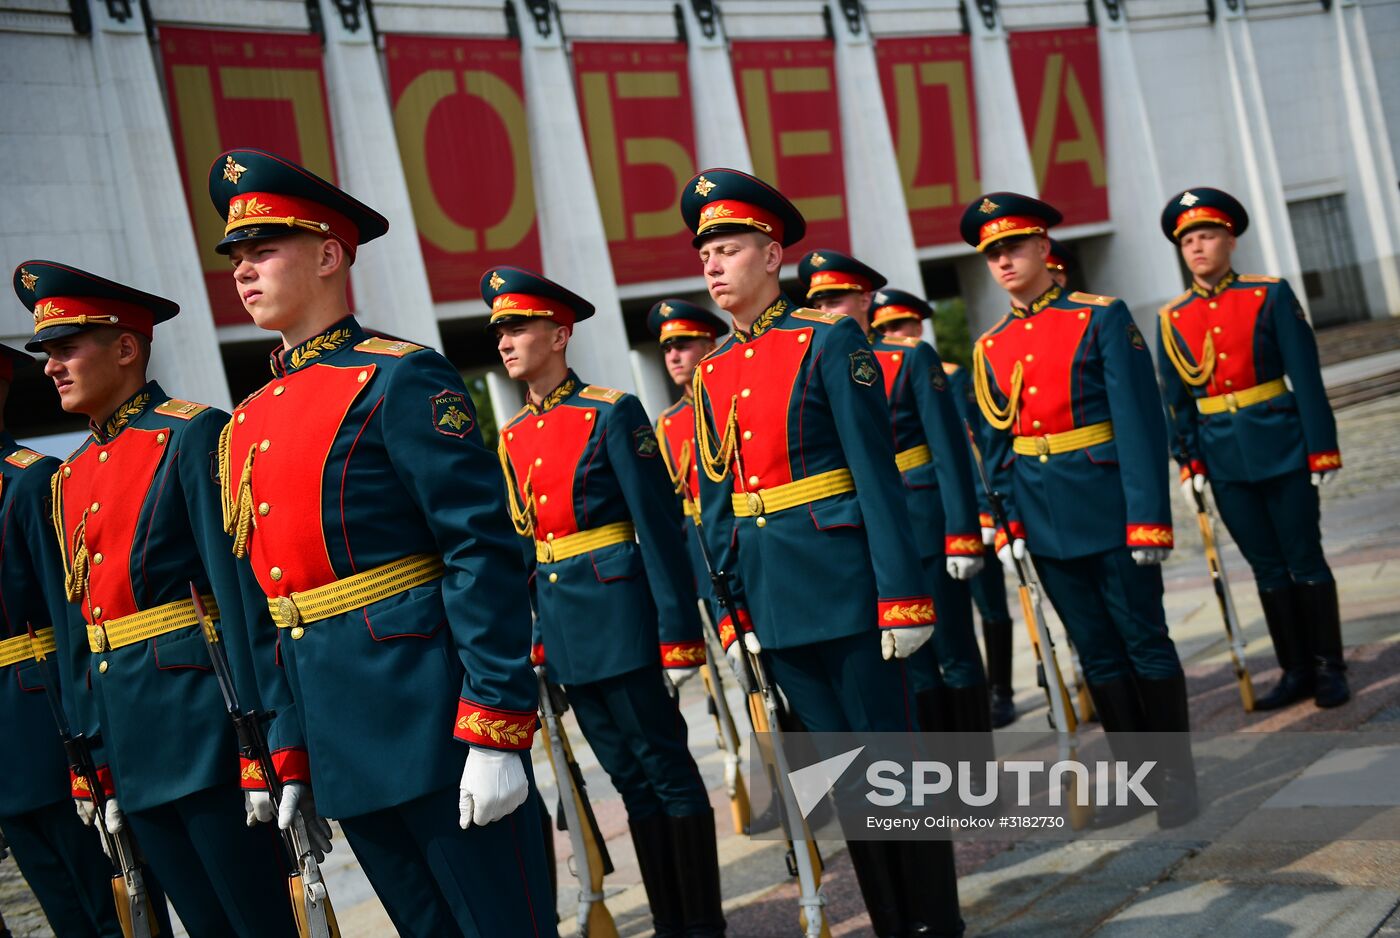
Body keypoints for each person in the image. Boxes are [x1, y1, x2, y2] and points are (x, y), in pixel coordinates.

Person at [208, 148, 555, 936]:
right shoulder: (247, 424)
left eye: (263, 250)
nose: (243, 271)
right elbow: (270, 606)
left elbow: (479, 551)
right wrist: (288, 750)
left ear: (330, 254)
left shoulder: (401, 378)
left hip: (434, 722)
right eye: (237, 257)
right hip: (340, 738)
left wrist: (496, 722)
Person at [683, 168, 962, 936]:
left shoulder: (830, 339)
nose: (712, 265)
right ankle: (890, 919)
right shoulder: (711, 373)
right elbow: (717, 508)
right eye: (704, 252)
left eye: (728, 248)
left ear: (772, 256)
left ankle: (935, 922)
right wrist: (731, 611)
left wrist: (902, 595)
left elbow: (877, 476)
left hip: (848, 592)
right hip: (775, 603)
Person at [23, 259, 295, 935]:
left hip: (206, 728)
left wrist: (266, 740)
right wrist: (94, 762)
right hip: (128, 737)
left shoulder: (191, 434)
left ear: (125, 347)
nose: (52, 366)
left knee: (255, 920)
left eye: (67, 349)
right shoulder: (67, 479)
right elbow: (76, 627)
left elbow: (237, 598)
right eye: (47, 354)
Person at [490, 268, 724, 938]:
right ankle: (671, 917)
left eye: (518, 327)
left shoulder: (610, 412)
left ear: (559, 334)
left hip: (623, 620)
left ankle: (701, 924)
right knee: (626, 778)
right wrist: (535, 637)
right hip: (568, 636)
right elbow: (531, 552)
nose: (506, 342)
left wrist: (678, 632)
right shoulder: (511, 438)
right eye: (499, 330)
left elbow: (659, 526)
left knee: (666, 772)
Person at [961, 192, 1197, 829]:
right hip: (1043, 522)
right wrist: (1003, 522)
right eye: (992, 254)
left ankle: (1176, 777)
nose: (1004, 261)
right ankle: (1137, 780)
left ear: (1044, 249)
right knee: (1094, 652)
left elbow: (1141, 424)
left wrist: (1149, 516)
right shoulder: (991, 349)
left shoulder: (1099, 317)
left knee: (1144, 643)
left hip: (1111, 508)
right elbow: (996, 447)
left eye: (1013, 247)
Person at [1157, 187, 1346, 709]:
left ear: (1230, 240)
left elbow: (1305, 377)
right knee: (1265, 568)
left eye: (1208, 236)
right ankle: (1295, 669)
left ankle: (1330, 666)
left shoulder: (1270, 294)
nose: (1198, 247)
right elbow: (1177, 401)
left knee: (1304, 559)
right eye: (1188, 240)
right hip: (1224, 462)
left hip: (1282, 446)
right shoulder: (1172, 318)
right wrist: (1188, 460)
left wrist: (1321, 448)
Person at [795, 254, 989, 742]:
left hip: (926, 527)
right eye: (817, 301)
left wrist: (963, 533)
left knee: (955, 655)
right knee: (911, 671)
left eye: (835, 298)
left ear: (865, 300)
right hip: (866, 539)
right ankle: (940, 789)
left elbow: (950, 452)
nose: (826, 308)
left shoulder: (907, 357)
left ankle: (977, 783)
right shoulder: (813, 360)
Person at [0, 339, 132, 938]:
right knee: (59, 911)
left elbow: (73, 612)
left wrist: (88, 743)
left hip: (46, 719)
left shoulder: (28, 483)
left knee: (109, 908)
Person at [870, 289, 1018, 728]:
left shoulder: (933, 369)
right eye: (889, 328)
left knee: (976, 620)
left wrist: (976, 515)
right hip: (889, 525)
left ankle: (1001, 692)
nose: (897, 334)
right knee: (914, 659)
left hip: (938, 509)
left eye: (904, 326)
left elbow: (960, 445)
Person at [647, 298, 727, 620]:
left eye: (682, 345)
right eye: (667, 349)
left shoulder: (729, 400)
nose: (673, 356)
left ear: (709, 346)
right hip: (702, 548)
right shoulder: (666, 423)